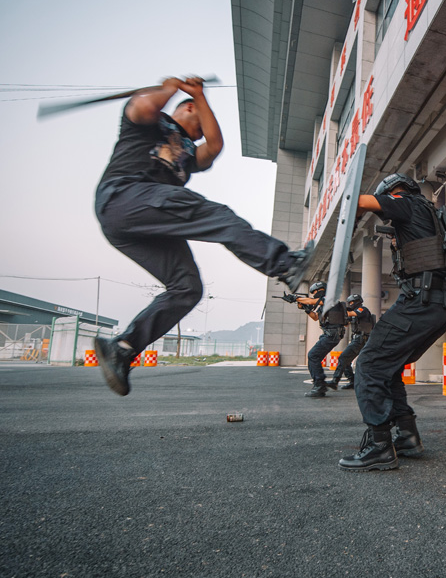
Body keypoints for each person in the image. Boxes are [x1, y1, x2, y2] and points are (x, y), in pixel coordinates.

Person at [92, 76, 309, 396]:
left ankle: (122, 348)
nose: (198, 134)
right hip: (126, 197)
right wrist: (170, 87)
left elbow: (216, 145)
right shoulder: (148, 124)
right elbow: (146, 105)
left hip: (140, 223)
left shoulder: (189, 155)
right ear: (186, 108)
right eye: (196, 123)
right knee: (219, 217)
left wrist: (200, 96)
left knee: (187, 288)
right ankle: (285, 264)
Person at [339, 173, 446, 471]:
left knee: (368, 364)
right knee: (390, 365)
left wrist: (351, 209)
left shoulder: (403, 202)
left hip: (419, 303)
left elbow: (360, 202)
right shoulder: (436, 214)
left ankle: (380, 447)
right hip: (442, 305)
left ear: (393, 191)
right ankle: (407, 436)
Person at [294, 281, 346, 398]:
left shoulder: (330, 299)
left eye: (315, 292)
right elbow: (315, 317)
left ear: (322, 290)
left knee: (313, 356)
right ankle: (319, 383)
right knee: (314, 357)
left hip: (332, 334)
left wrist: (296, 298)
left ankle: (319, 385)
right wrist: (306, 310)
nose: (314, 294)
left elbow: (310, 301)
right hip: (329, 334)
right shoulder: (324, 305)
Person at [325, 294, 374, 389]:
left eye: (352, 302)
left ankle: (335, 381)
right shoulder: (355, 313)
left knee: (343, 358)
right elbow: (347, 323)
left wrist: (341, 310)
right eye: (350, 302)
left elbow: (352, 314)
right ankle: (353, 381)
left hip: (361, 339)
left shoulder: (362, 309)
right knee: (346, 360)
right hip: (358, 339)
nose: (351, 304)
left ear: (357, 301)